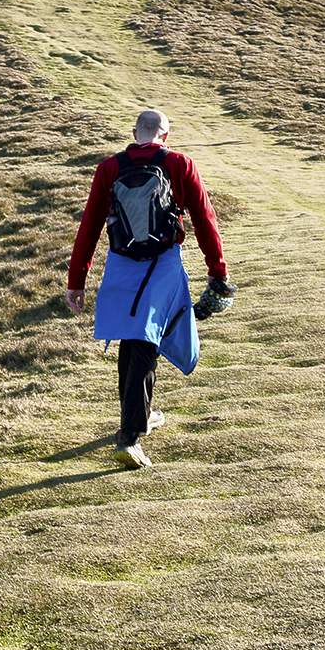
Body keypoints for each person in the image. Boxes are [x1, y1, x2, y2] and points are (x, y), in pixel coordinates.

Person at [66, 109, 233, 469]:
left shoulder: (109, 168)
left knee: (134, 338)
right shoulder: (179, 163)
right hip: (163, 263)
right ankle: (130, 436)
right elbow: (204, 218)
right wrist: (217, 271)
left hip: (121, 264)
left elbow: (90, 225)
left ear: (135, 133)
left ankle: (138, 417)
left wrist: (76, 280)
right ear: (165, 136)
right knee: (145, 341)